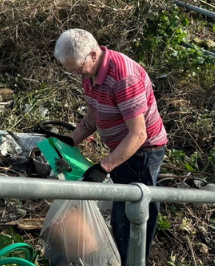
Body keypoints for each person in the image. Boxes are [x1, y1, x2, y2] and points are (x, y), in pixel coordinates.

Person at [53, 28, 168, 264]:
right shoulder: (90, 73)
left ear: (93, 55)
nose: (77, 74)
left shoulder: (124, 78)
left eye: (77, 68)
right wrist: (72, 140)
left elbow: (137, 135)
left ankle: (134, 261)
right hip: (123, 148)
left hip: (143, 152)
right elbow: (94, 114)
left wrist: (104, 167)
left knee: (131, 215)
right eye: (71, 70)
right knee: (121, 214)